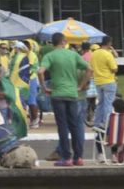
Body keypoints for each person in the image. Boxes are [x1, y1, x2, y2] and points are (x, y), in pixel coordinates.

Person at [38, 32, 90, 167]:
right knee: (74, 126)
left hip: (57, 94)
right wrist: (81, 85)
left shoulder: (50, 56)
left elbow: (40, 72)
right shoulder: (73, 55)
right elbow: (90, 69)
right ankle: (78, 157)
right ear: (64, 42)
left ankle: (67, 157)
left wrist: (44, 87)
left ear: (53, 43)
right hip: (73, 94)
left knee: (62, 127)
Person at [90, 35, 118, 132]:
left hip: (98, 81)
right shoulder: (107, 54)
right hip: (108, 81)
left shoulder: (94, 54)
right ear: (109, 43)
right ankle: (107, 124)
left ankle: (97, 123)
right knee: (108, 104)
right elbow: (114, 69)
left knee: (100, 104)